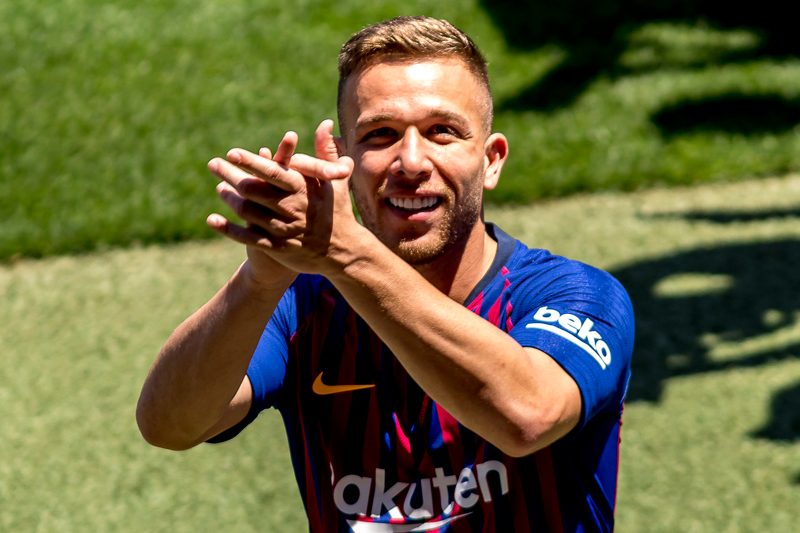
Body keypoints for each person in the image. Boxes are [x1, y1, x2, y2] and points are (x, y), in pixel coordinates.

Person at [136, 16, 634, 532]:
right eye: (381, 134)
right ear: (344, 160)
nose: (411, 162)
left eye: (442, 131)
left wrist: (345, 253)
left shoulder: (580, 296)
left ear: (491, 160)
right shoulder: (301, 306)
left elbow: (527, 415)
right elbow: (169, 425)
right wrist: (259, 281)